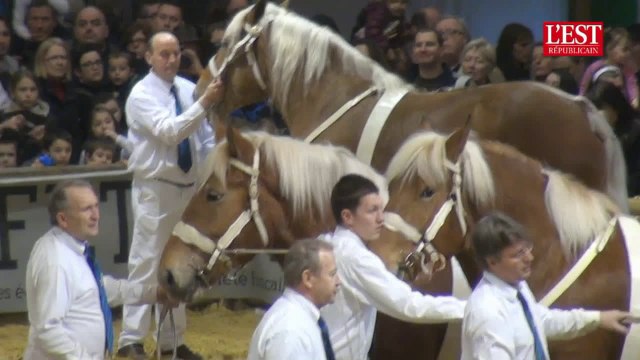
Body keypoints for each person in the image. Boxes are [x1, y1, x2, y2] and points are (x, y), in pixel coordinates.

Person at [116, 31, 224, 360]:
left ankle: (171, 341)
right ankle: (130, 341)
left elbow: (203, 139)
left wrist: (210, 174)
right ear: (148, 57)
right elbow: (170, 131)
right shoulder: (140, 94)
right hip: (155, 187)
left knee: (181, 263)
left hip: (188, 187)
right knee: (146, 261)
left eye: (176, 53)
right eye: (163, 54)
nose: (171, 59)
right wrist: (205, 102)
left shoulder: (188, 89)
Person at [24, 179, 177, 360]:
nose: (96, 215)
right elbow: (48, 329)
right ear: (63, 219)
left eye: (96, 206)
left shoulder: (71, 249)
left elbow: (97, 290)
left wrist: (153, 293)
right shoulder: (55, 261)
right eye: (86, 209)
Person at [320, 174, 466, 360]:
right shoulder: (355, 257)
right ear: (348, 217)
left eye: (382, 209)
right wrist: (469, 307)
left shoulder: (326, 243)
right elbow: (409, 306)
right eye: (372, 211)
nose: (381, 219)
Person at [461, 212, 632, 360]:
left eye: (527, 248)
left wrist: (598, 318)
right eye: (518, 254)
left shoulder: (518, 287)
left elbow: (540, 321)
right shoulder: (488, 312)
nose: (529, 258)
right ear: (492, 261)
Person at [248, 239, 341, 360]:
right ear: (308, 278)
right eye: (332, 274)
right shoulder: (291, 330)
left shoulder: (299, 321)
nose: (339, 281)